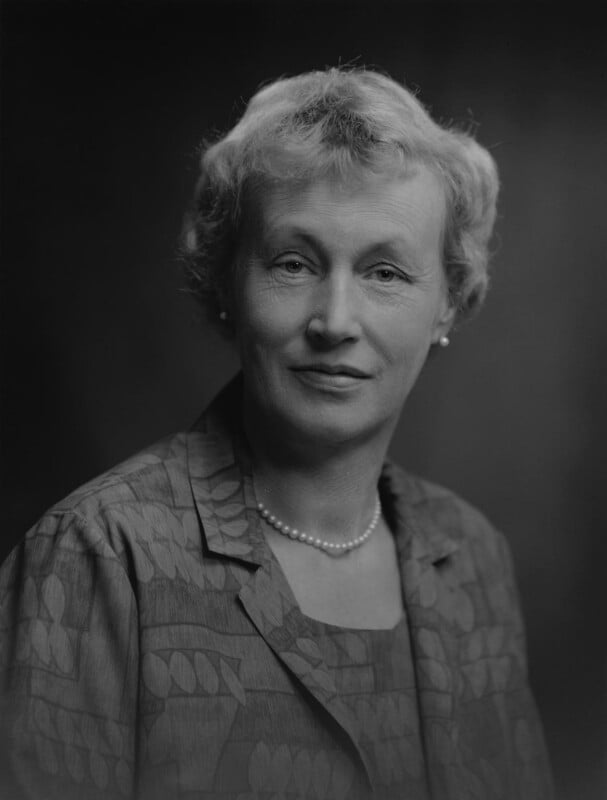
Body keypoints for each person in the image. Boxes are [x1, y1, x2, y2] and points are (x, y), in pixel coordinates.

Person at [0, 67, 553, 799]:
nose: (335, 321)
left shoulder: (472, 559)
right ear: (227, 282)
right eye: (293, 264)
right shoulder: (98, 555)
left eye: (386, 272)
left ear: (447, 303)